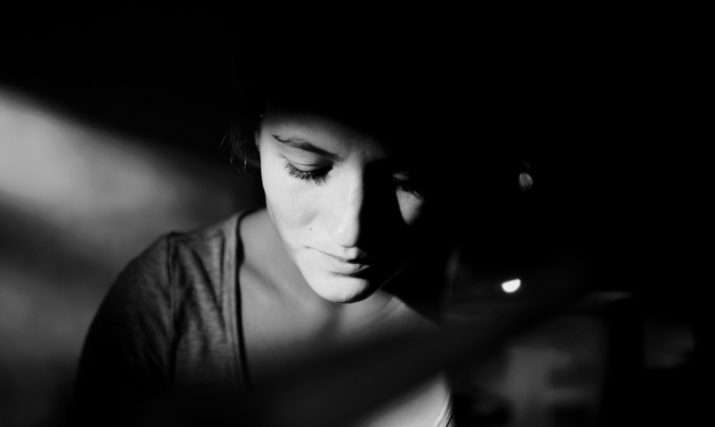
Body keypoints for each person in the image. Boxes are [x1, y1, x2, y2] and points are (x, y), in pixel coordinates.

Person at [68, 12, 506, 427]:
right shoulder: (170, 301)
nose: (350, 231)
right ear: (256, 135)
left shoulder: (501, 287)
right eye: (307, 169)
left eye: (405, 181)